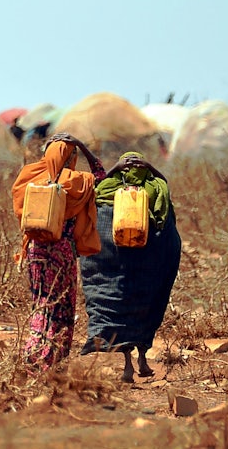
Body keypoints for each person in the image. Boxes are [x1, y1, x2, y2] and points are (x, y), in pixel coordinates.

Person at [79, 151, 181, 383]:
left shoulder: (107, 190)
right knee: (145, 309)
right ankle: (142, 360)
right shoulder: (155, 189)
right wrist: (151, 167)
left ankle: (128, 367)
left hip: (116, 267)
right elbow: (167, 222)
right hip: (148, 267)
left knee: (121, 310)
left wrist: (115, 168)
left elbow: (97, 192)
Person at [11, 132, 105, 373]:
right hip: (61, 254)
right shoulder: (78, 181)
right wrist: (83, 145)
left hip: (35, 251)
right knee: (60, 307)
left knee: (41, 303)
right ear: (71, 157)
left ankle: (34, 356)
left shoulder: (29, 176)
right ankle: (50, 362)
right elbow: (101, 177)